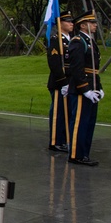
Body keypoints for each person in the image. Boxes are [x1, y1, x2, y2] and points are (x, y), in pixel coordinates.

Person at [67, 11, 103, 166]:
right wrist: (85, 89)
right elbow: (77, 69)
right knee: (79, 123)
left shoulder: (90, 42)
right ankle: (75, 154)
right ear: (83, 25)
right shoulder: (78, 41)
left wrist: (99, 88)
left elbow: (94, 69)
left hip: (91, 87)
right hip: (82, 89)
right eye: (92, 22)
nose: (95, 25)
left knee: (89, 123)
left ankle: (84, 154)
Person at [46, 11, 74, 153]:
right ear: (60, 23)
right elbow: (54, 63)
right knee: (58, 113)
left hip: (71, 82)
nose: (71, 23)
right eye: (68, 21)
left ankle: (64, 139)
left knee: (67, 112)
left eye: (71, 21)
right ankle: (55, 141)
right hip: (59, 82)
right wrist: (63, 81)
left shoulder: (72, 40)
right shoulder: (56, 40)